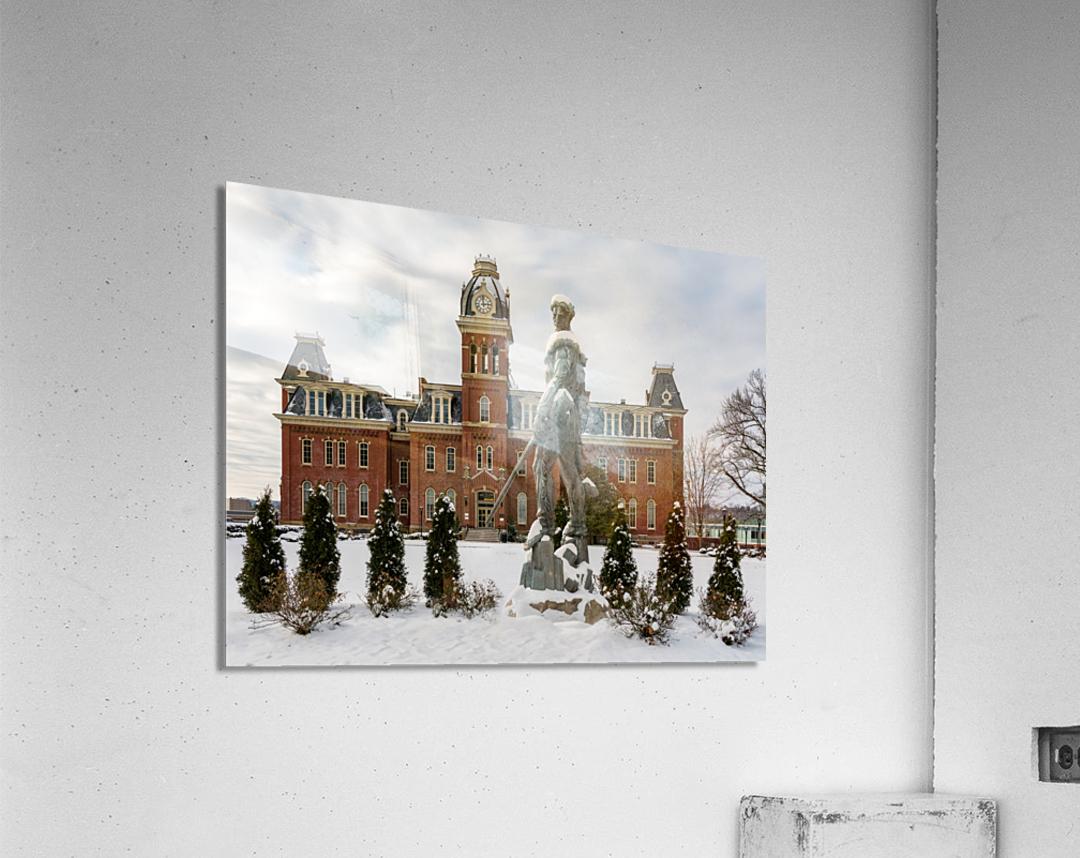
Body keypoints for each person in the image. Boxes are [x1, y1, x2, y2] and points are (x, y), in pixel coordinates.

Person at [527, 295, 592, 550]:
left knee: (540, 466)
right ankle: (576, 524)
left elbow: (560, 378)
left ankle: (545, 522)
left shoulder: (563, 345)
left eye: (561, 313)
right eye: (553, 313)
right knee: (569, 471)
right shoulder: (572, 347)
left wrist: (543, 410)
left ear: (569, 317)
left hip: (559, 411)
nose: (556, 317)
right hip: (569, 415)